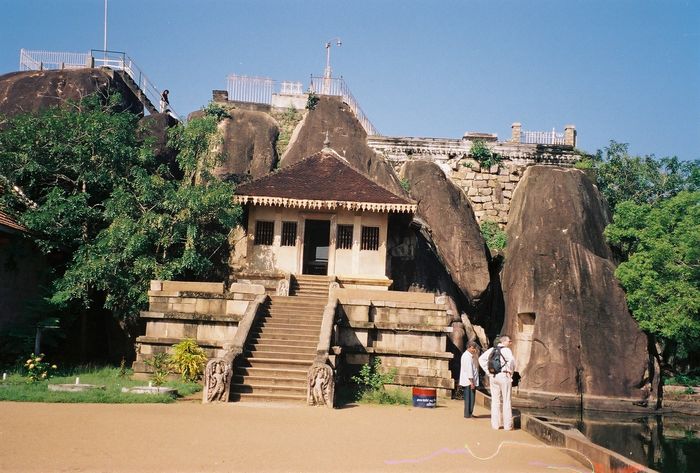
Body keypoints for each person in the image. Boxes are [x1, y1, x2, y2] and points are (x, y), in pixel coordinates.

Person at [478, 335, 516, 430]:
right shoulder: (507, 350)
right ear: (505, 341)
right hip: (504, 376)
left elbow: (481, 359)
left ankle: (495, 424)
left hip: (493, 376)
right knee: (506, 400)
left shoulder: (492, 349)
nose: (510, 343)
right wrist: (510, 372)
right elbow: (512, 361)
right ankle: (507, 425)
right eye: (509, 341)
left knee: (495, 400)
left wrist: (488, 372)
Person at [459, 341, 480, 418]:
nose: (474, 350)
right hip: (468, 381)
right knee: (469, 398)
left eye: (474, 348)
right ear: (469, 347)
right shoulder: (467, 356)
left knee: (471, 398)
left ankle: (469, 413)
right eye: (473, 348)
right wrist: (472, 382)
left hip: (470, 380)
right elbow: (469, 370)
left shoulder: (470, 356)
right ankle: (467, 414)